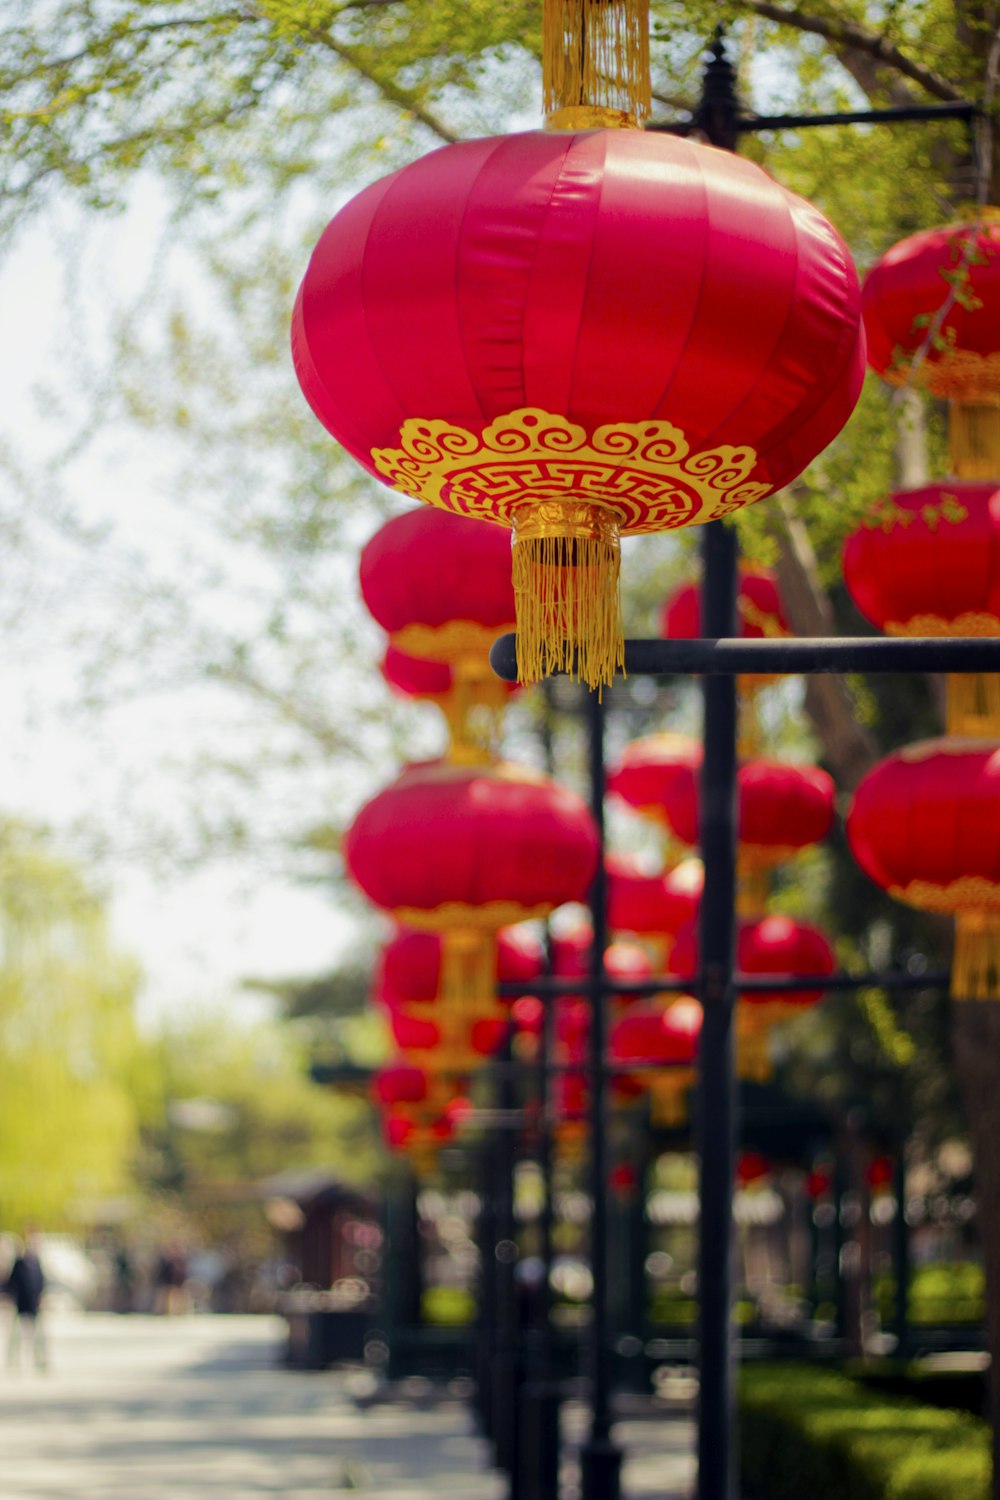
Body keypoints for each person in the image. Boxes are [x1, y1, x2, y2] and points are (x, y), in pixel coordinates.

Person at [5, 1230, 46, 1372]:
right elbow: (10, 1282)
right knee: (16, 1335)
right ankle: (13, 1362)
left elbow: (42, 1281)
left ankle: (40, 1362)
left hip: (34, 1303)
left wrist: (41, 1296)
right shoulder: (19, 1263)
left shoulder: (36, 1262)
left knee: (38, 1336)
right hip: (21, 1302)